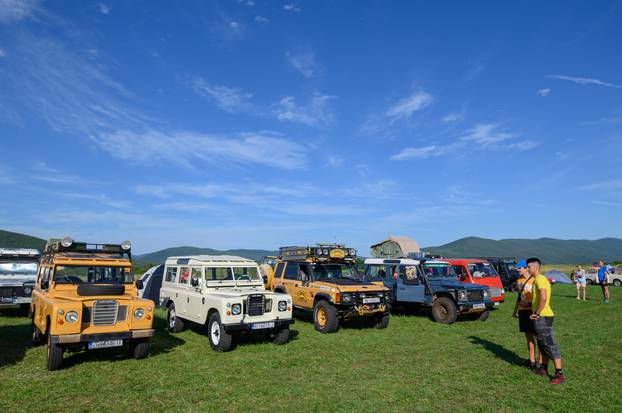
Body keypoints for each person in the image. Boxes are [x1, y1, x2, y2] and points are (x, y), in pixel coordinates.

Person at [528, 258, 565, 385]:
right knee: (542, 343)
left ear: (535, 268)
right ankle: (543, 369)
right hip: (541, 317)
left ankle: (559, 373)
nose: (527, 269)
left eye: (529, 267)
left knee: (550, 344)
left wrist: (536, 313)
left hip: (543, 316)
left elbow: (543, 298)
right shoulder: (537, 279)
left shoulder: (540, 279)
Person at [512, 260, 538, 369]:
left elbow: (538, 297)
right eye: (517, 268)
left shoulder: (534, 280)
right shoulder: (519, 280)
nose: (518, 270)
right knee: (528, 336)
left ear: (526, 268)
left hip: (532, 311)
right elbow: (519, 296)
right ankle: (531, 360)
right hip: (522, 311)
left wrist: (531, 305)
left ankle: (540, 362)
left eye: (519, 268)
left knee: (538, 336)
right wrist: (515, 310)